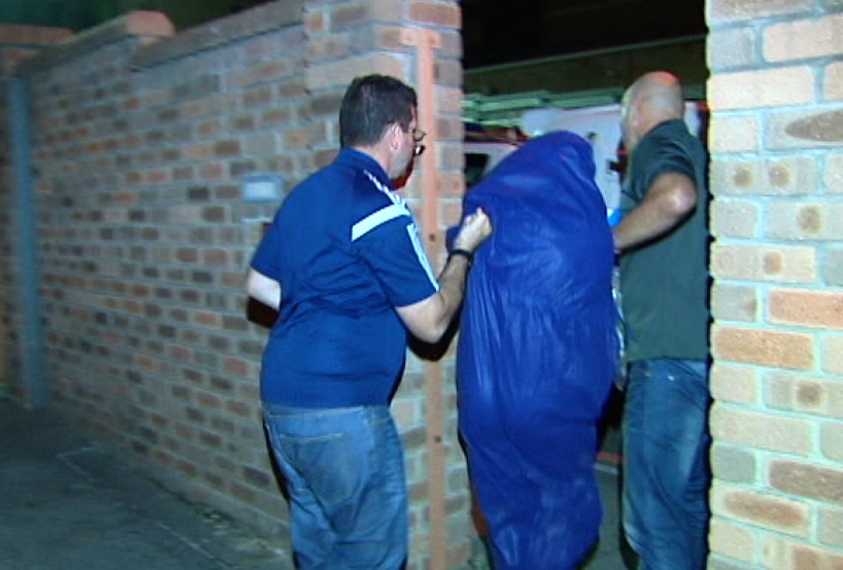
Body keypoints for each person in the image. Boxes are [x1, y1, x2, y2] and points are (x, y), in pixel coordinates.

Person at [244, 74, 492, 570]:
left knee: (319, 551)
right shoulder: (379, 210)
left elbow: (258, 283)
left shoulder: (306, 195)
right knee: (372, 556)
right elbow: (432, 322)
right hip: (344, 415)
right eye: (417, 139)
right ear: (397, 133)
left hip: (283, 405)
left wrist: (331, 304)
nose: (415, 151)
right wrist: (464, 249)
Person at [450, 130, 618, 569]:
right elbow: (597, 324)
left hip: (481, 402)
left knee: (507, 509)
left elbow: (459, 242)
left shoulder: (490, 212)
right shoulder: (587, 233)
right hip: (548, 400)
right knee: (561, 507)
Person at [613, 71, 711, 570]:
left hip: (666, 362)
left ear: (635, 113)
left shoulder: (658, 144)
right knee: (686, 509)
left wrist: (605, 245)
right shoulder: (700, 151)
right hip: (700, 356)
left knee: (651, 523)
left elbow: (675, 197)